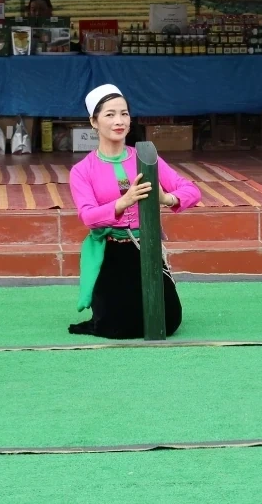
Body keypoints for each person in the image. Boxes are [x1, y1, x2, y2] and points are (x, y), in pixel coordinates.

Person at [68, 84, 200, 339]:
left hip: (145, 247)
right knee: (116, 326)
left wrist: (167, 197)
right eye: (110, 114)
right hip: (111, 251)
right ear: (93, 122)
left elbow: (192, 191)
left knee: (167, 321)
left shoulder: (146, 157)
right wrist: (122, 202)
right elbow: (88, 216)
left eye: (124, 114)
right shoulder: (83, 170)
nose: (119, 121)